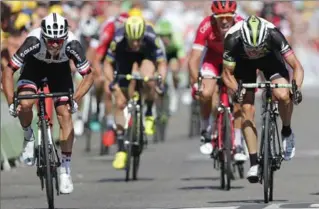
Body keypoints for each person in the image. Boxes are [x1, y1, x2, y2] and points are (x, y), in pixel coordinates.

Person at [1, 13, 94, 193]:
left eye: (58, 41)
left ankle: (65, 169)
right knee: (26, 103)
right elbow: (9, 70)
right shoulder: (33, 42)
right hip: (34, 69)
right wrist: (11, 100)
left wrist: (76, 99)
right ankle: (29, 137)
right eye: (50, 40)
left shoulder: (72, 44)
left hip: (60, 73)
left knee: (65, 114)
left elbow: (89, 75)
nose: (54, 44)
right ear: (43, 35)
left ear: (64, 38)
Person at [222, 15, 303, 183]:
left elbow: (296, 66)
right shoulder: (232, 38)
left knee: (283, 95)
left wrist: (296, 88)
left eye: (258, 48)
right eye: (251, 49)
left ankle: (286, 131)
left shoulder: (274, 34)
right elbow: (227, 74)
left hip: (270, 60)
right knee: (246, 108)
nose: (255, 52)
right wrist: (237, 90)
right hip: (243, 65)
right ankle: (253, 163)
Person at [104, 16, 167, 169]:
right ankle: (120, 149)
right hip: (124, 59)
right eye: (132, 40)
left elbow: (162, 64)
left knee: (149, 78)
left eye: (138, 40)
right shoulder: (118, 39)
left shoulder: (151, 37)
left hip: (146, 57)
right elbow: (107, 64)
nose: (136, 44)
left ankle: (149, 112)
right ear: (126, 36)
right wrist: (113, 84)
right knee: (119, 103)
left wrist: (159, 82)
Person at [188, 0, 247, 161]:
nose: (225, 21)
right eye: (220, 17)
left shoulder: (242, 26)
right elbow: (193, 60)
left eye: (228, 16)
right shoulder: (205, 26)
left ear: (234, 16)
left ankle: (239, 142)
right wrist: (195, 83)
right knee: (206, 93)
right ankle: (206, 130)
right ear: (213, 17)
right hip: (212, 60)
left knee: (240, 99)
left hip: (235, 61)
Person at [92, 12, 129, 146]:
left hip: (120, 62)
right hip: (106, 60)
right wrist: (101, 75)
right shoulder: (109, 31)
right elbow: (97, 59)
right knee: (107, 87)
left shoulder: (131, 36)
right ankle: (107, 121)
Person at [155, 19, 186, 114]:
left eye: (167, 36)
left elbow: (182, 57)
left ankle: (174, 93)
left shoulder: (177, 38)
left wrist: (180, 73)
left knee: (174, 68)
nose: (164, 39)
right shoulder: (157, 41)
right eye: (162, 36)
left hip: (173, 54)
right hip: (162, 55)